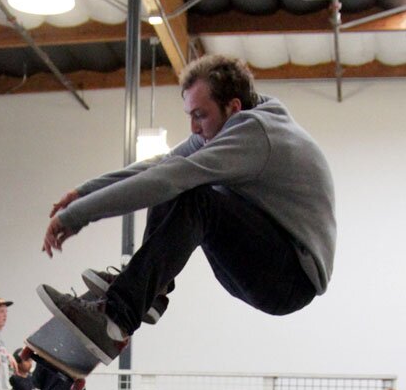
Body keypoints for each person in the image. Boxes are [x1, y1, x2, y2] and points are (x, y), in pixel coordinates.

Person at [38, 53, 335, 363]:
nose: (193, 127)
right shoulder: (232, 123)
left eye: (200, 116)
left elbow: (170, 178)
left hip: (290, 279)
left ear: (233, 107)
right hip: (262, 261)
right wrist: (83, 193)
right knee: (178, 176)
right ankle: (152, 293)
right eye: (190, 116)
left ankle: (115, 318)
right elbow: (163, 167)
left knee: (193, 193)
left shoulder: (257, 133)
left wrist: (78, 216)